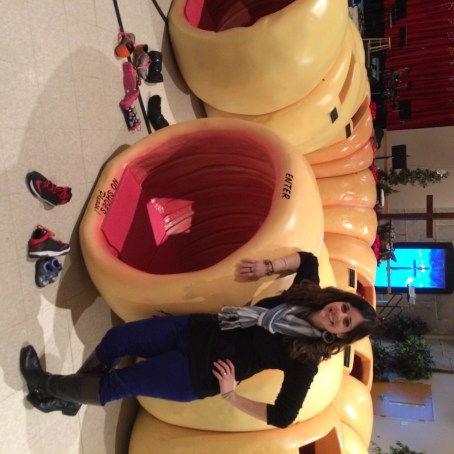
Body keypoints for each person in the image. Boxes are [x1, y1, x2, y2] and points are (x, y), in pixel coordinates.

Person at [20, 251, 379, 428]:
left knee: (120, 383)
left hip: (199, 372)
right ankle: (70, 398)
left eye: (346, 322)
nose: (339, 314)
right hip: (198, 329)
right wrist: (268, 267)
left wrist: (231, 396)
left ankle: (46, 386)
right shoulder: (307, 293)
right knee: (116, 340)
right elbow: (308, 258)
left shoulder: (306, 359)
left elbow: (284, 417)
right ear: (340, 300)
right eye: (345, 307)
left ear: (342, 335)